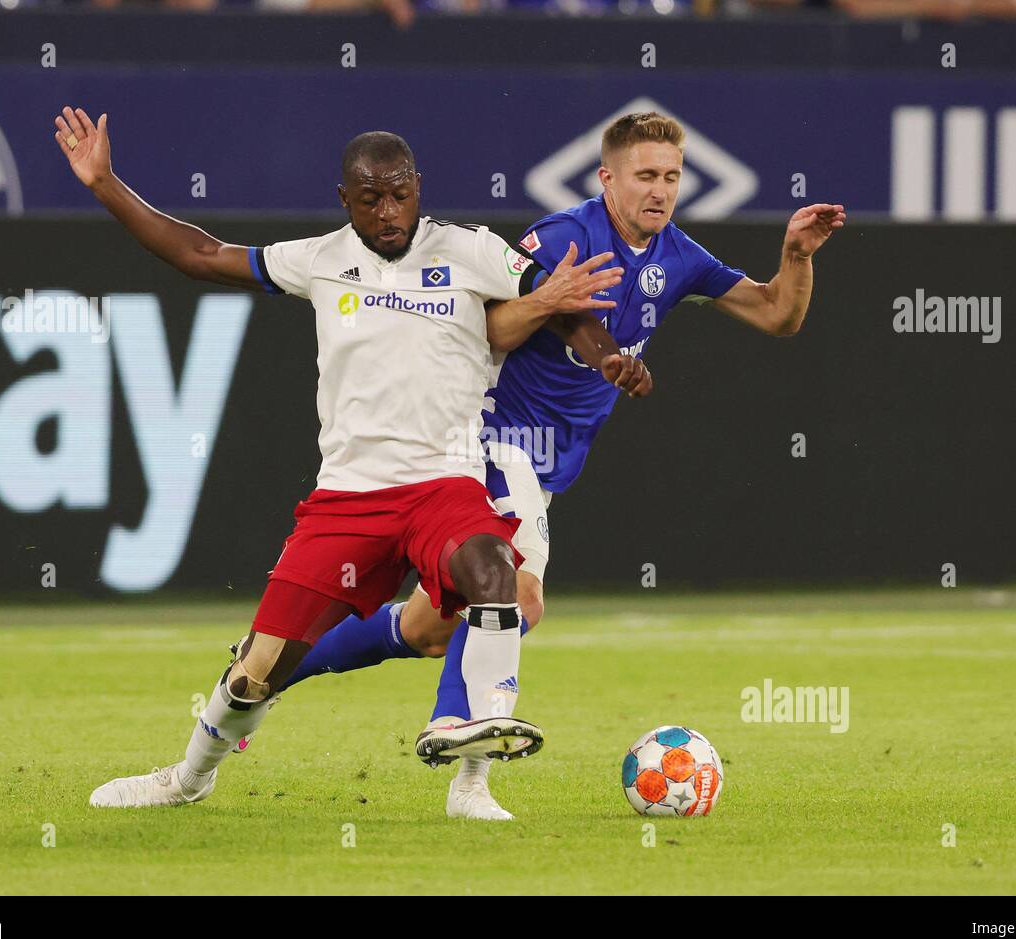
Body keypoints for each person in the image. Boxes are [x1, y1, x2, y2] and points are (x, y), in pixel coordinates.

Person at [51, 106, 626, 819]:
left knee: (495, 570)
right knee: (256, 674)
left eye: (400, 193)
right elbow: (199, 254)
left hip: (444, 483)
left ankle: (475, 765)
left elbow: (561, 301)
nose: (388, 211)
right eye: (370, 198)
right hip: (348, 498)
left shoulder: (471, 250)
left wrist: (607, 355)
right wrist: (105, 183)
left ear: (419, 186)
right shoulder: (319, 260)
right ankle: (187, 778)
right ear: (344, 200)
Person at [277, 109, 845, 752]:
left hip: (545, 465)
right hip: (494, 439)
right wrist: (558, 309)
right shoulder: (562, 238)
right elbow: (483, 328)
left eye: (671, 177)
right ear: (607, 177)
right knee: (520, 597)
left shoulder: (678, 255)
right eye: (644, 176)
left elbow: (778, 315)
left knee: (428, 629)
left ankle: (268, 666)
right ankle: (454, 731)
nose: (659, 190)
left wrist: (795, 256)